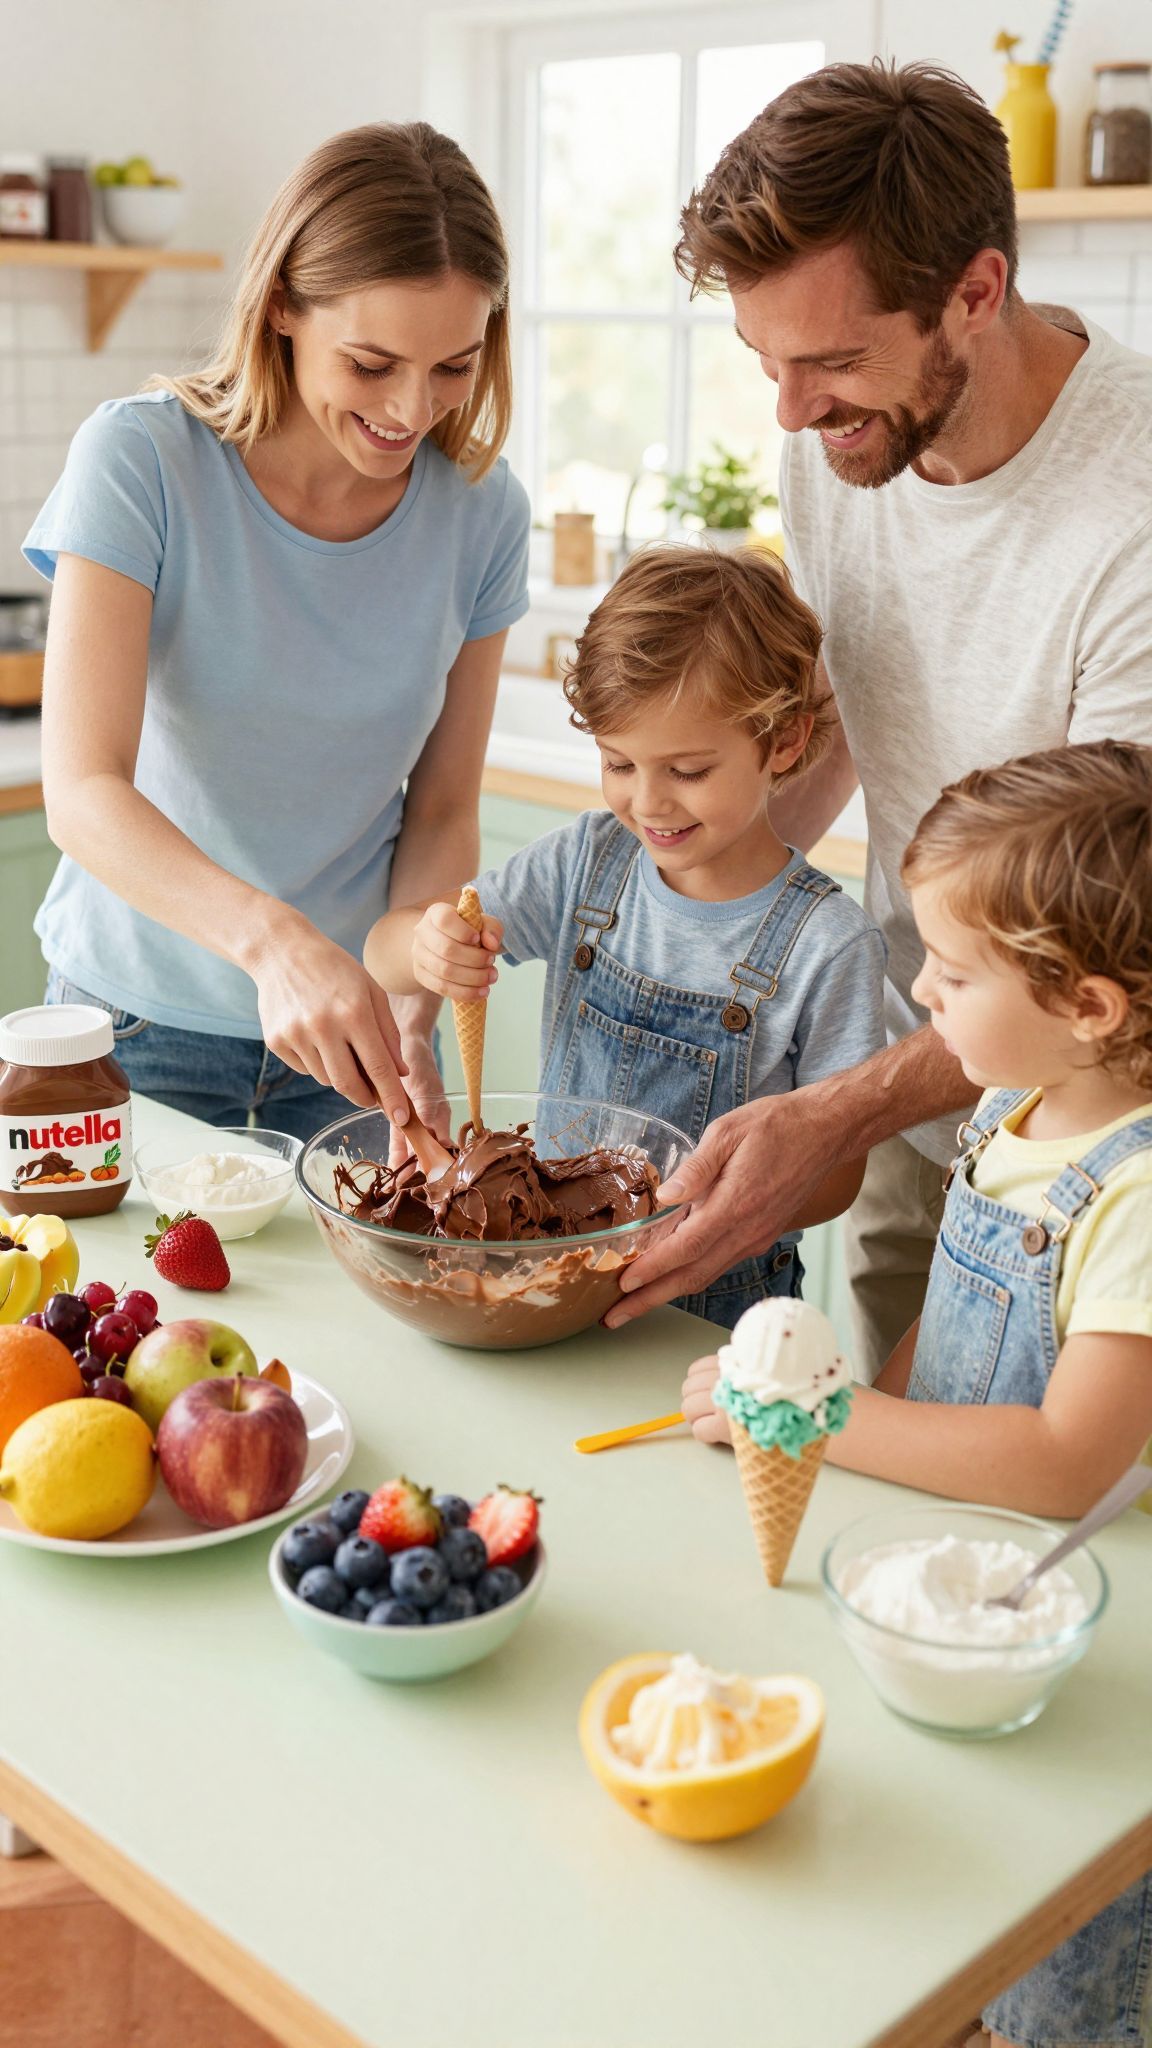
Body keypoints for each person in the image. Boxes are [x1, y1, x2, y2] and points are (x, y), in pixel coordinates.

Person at [606, 61, 1152, 1362]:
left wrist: (836, 1112)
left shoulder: (1129, 512)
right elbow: (863, 704)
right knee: (879, 1455)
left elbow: (1120, 933)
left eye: (835, 362)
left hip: (1100, 1140)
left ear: (977, 291)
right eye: (766, 361)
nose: (792, 412)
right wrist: (681, 914)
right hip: (922, 1075)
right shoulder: (840, 443)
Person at [682, 738, 1152, 2048]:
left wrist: (819, 1419)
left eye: (953, 970)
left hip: (1081, 1630)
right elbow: (939, 1339)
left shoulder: (1136, 1193)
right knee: (957, 1892)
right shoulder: (1014, 1110)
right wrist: (842, 1399)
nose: (921, 989)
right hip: (961, 1579)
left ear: (1088, 1006)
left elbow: (1068, 1459)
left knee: (1061, 1950)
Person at [22, 122, 529, 1141]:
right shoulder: (143, 460)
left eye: (453, 367)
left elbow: (441, 810)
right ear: (284, 305)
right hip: (137, 1026)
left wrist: (412, 1005)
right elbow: (81, 791)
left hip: (356, 1036)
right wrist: (274, 943)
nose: (412, 409)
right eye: (373, 363)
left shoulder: (484, 514)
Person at [365, 543, 885, 1327]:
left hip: (712, 1309)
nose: (649, 803)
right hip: (551, 1279)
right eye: (618, 764)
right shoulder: (586, 863)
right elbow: (384, 952)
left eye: (688, 771)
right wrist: (425, 946)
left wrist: (696, 1206)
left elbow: (837, 1176)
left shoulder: (830, 944)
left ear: (784, 742)